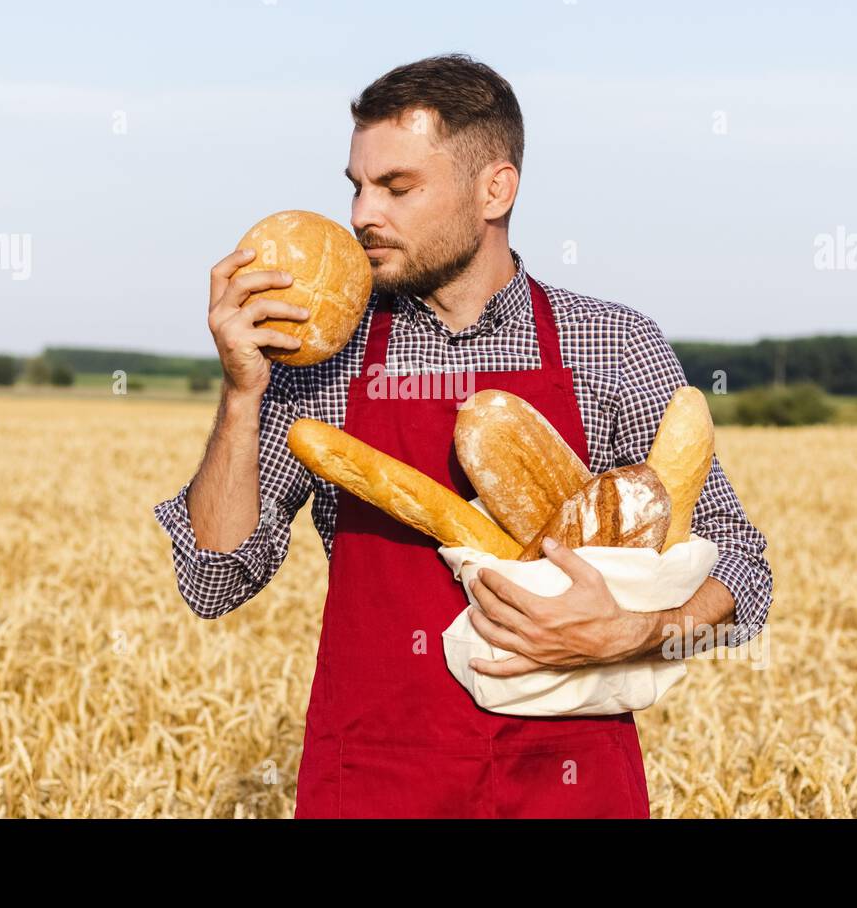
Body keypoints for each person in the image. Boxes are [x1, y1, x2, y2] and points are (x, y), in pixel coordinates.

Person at [154, 53, 773, 818]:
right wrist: (243, 392)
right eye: (357, 185)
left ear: (495, 189)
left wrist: (632, 631)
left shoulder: (610, 343)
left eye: (397, 187)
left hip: (568, 784)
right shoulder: (319, 359)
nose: (360, 216)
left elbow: (744, 574)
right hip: (376, 780)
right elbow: (214, 581)